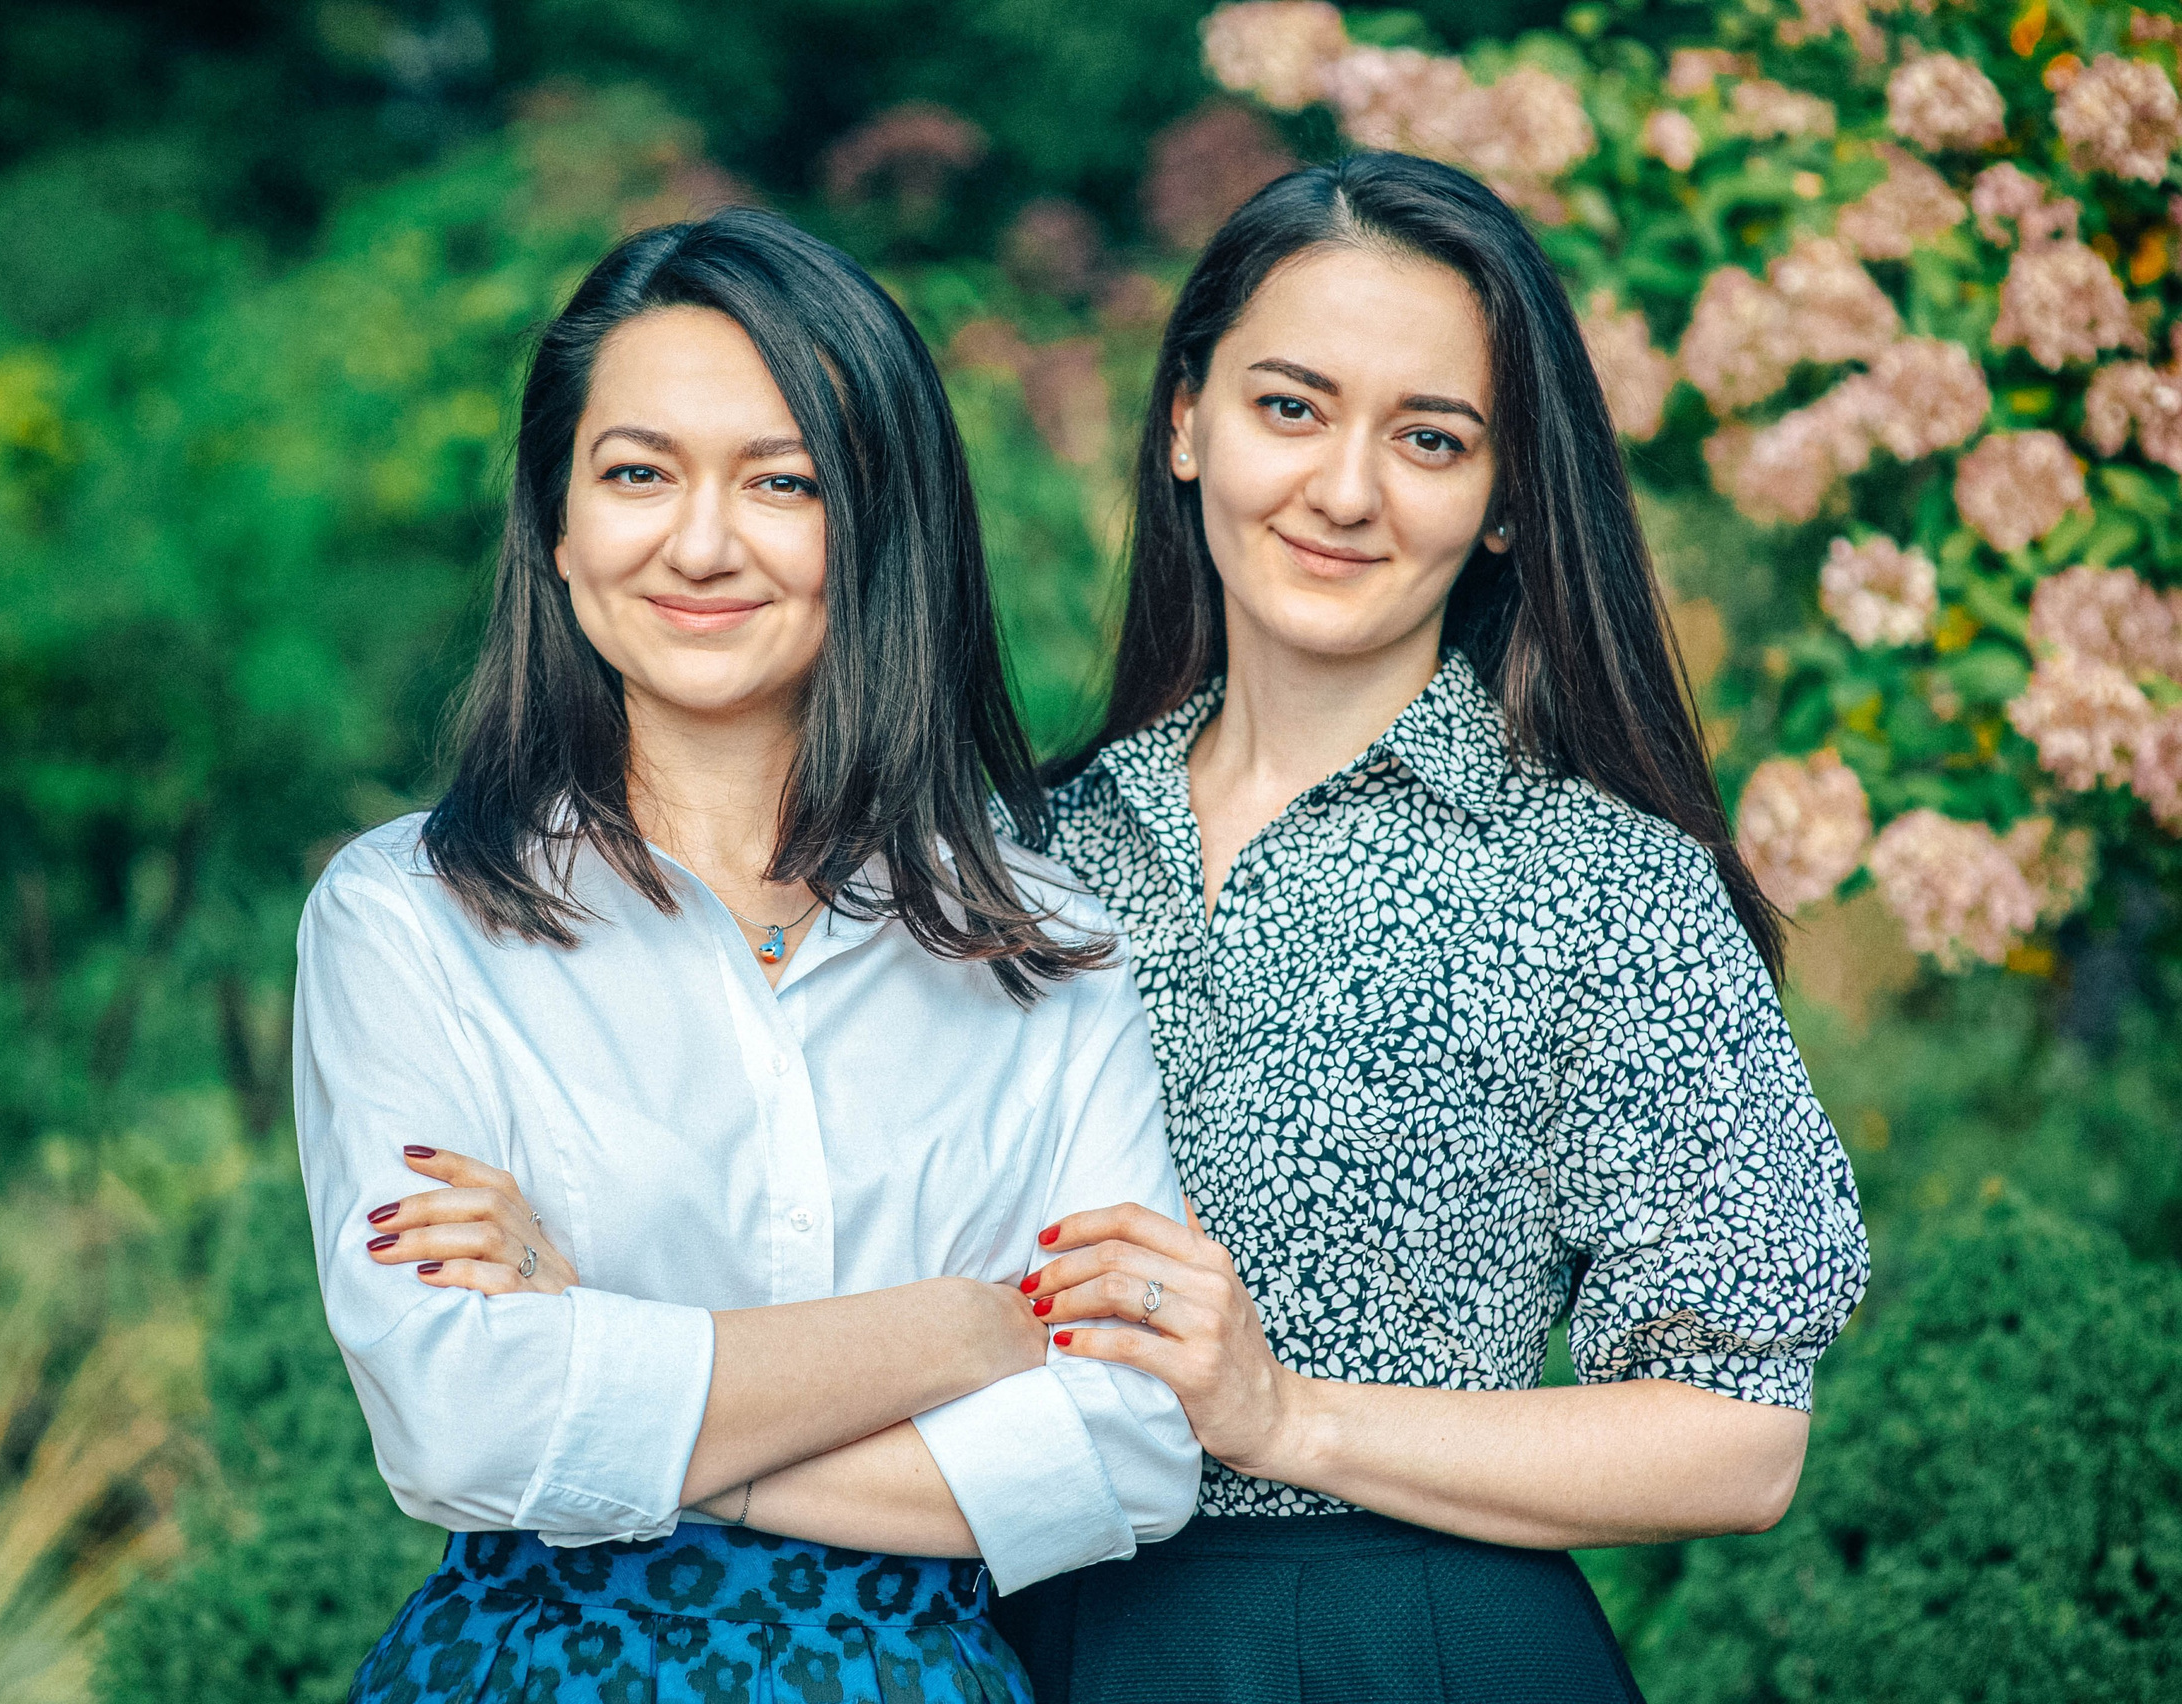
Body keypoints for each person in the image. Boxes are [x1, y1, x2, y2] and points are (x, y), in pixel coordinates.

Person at [994, 154, 1872, 1702]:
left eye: (1430, 438)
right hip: (1013, 1631)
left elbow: (1740, 1442)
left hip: (1400, 1647)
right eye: (1291, 408)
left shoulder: (1608, 890)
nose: (1345, 490)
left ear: (1509, 501)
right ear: (1184, 422)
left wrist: (1285, 1418)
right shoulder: (1018, 861)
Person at [293, 208, 1199, 1704]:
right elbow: (460, 1428)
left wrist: (615, 1358)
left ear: (880, 523)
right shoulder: (410, 916)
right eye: (636, 473)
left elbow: (1127, 1453)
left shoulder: (1047, 947)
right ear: (560, 524)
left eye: (783, 482)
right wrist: (957, 1332)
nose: (699, 543)